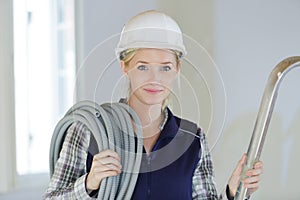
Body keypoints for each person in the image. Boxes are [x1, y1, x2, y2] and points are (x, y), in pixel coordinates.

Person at [44, 10, 263, 199]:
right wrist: (89, 183)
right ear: (124, 67)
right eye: (142, 67)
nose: (154, 79)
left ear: (177, 69)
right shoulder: (89, 130)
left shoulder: (192, 138)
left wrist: (233, 192)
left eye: (165, 67)